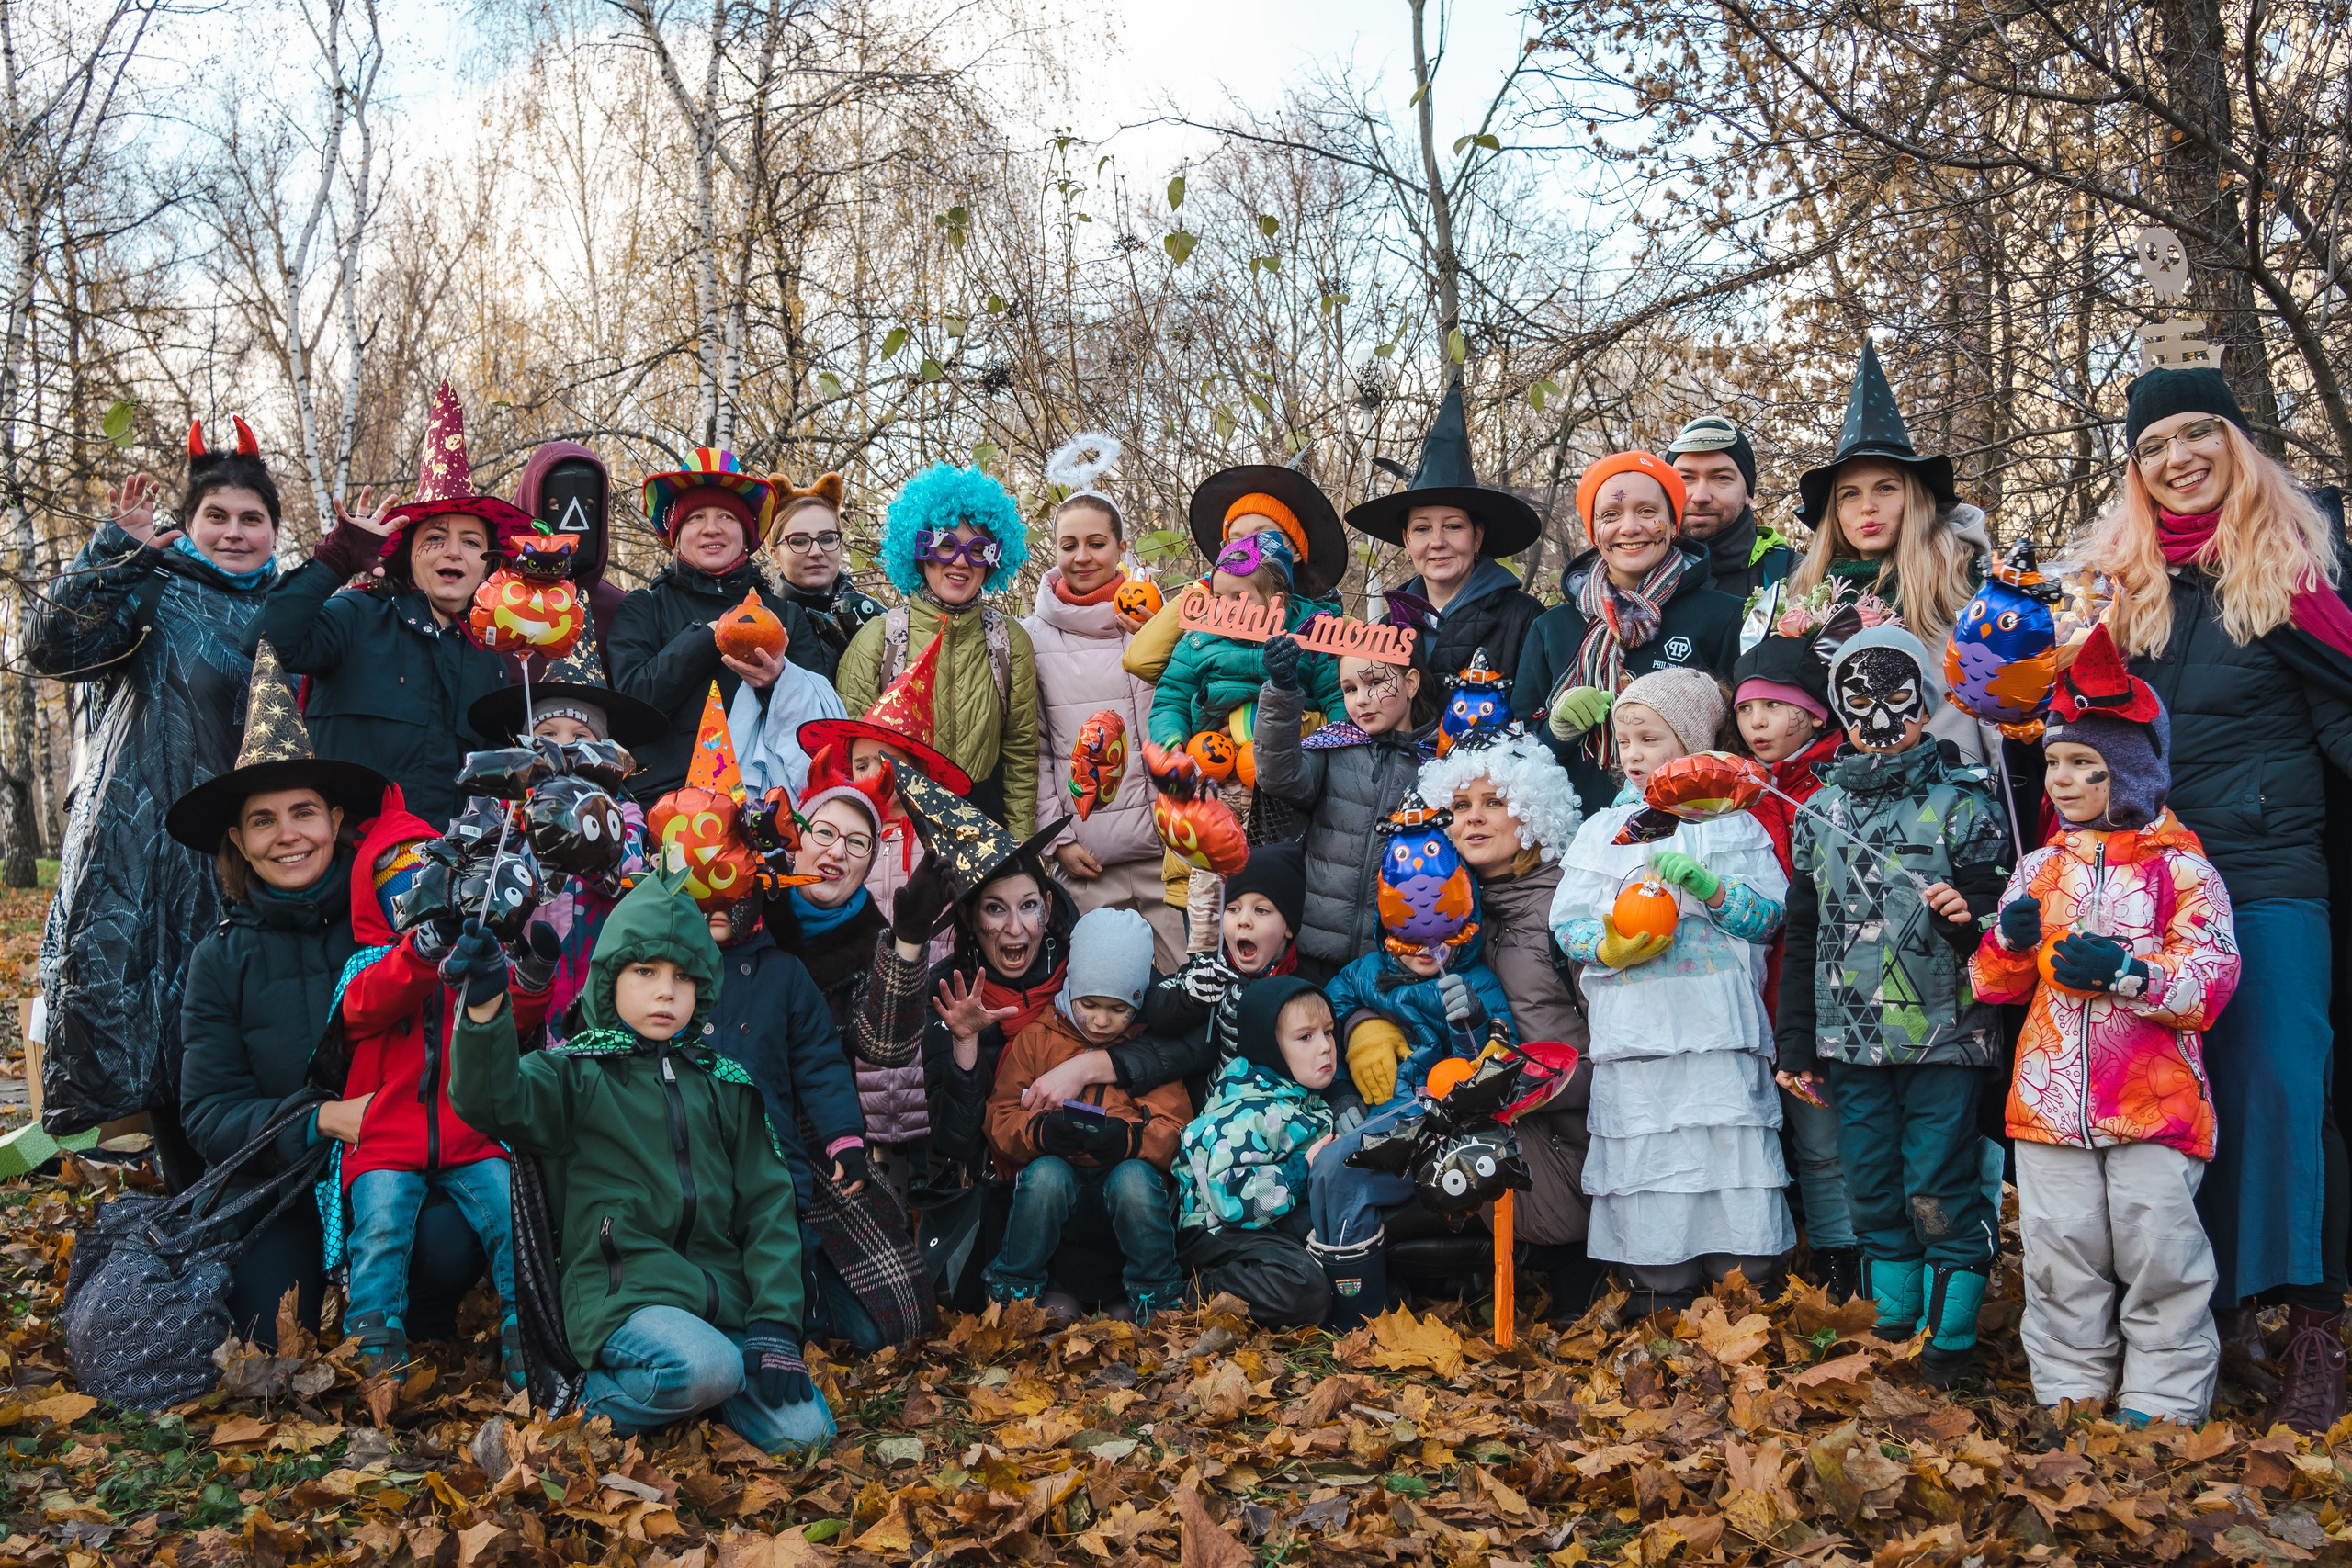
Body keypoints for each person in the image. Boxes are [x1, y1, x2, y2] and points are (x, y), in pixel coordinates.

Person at [2075, 365, 2352, 1427]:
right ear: (2135, 472)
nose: (2178, 458)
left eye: (2200, 434)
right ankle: (2215, 1310)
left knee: (2282, 1081)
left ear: (2239, 445)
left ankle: (2313, 1321)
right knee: (2172, 1099)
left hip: (2273, 871)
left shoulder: (2299, 577)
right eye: (2153, 446)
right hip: (2150, 885)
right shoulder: (2117, 591)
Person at [446, 872, 835, 1452]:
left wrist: (775, 1323)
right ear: (611, 979)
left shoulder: (727, 1084)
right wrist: (484, 1009)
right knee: (707, 1368)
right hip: (622, 1297)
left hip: (722, 1303)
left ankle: (680, 1396)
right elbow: (489, 1100)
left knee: (808, 1436)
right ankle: (576, 1414)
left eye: (682, 977)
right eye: (645, 971)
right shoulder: (573, 1073)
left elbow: (769, 1208)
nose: (665, 992)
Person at [171, 644, 485, 1348]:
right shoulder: (220, 960)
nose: (289, 835)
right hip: (289, 1176)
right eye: (263, 820)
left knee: (442, 1242)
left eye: (304, 812)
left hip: (406, 1157)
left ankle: (423, 1314)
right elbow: (209, 1111)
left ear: (336, 821)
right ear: (239, 840)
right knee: (271, 1324)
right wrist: (322, 1120)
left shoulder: (394, 917)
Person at [1972, 627, 2239, 1427]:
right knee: (2062, 1253)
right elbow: (1991, 983)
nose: (2067, 779)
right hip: (2050, 1101)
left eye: (2088, 764)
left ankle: (2162, 1398)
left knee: (2161, 1252)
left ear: (2131, 769)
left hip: (2153, 1105)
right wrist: (2010, 941)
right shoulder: (2039, 866)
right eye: (2057, 763)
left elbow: (2211, 979)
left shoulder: (2180, 868)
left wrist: (2129, 976)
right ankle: (2069, 1390)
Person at [32, 421, 285, 1185]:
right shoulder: (153, 587)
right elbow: (52, 646)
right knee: (170, 1038)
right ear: (191, 520)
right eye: (218, 516)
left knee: (258, 1032)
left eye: (252, 518)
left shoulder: (294, 604)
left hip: (268, 848)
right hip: (150, 852)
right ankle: (191, 1219)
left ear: (275, 528)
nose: (235, 533)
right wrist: (117, 552)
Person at [1774, 625, 2011, 1386]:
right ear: (1838, 708)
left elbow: (2000, 907)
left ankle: (1950, 1340)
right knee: (1868, 1178)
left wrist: (1967, 911)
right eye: (1858, 697)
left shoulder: (1965, 802)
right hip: (1852, 1039)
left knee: (1937, 1179)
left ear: (1925, 701)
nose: (1877, 713)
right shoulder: (1821, 810)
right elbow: (1803, 930)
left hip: (1944, 1035)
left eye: (1895, 696)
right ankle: (1892, 1323)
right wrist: (1797, 1044)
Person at [667, 692, 930, 1352]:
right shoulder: (730, 913)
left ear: (871, 864)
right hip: (694, 1133)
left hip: (806, 1141)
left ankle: (801, 1312)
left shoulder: (873, 936)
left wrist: (907, 943)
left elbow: (882, 1046)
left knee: (888, 1325)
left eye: (859, 843)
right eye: (825, 834)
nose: (837, 853)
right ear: (796, 838)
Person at [1549, 668, 1793, 1315]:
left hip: (1716, 1029)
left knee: (1724, 1144)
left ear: (1688, 742)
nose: (1630, 753)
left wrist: (1713, 890)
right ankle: (1658, 1282)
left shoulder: (1736, 826)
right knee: (1650, 1150)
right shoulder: (1605, 830)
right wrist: (1605, 946)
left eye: (1647, 738)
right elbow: (1568, 921)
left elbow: (1769, 915)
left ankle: (1742, 1272)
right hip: (1639, 1031)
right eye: (1622, 739)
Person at [332, 787, 555, 1380]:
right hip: (385, 1136)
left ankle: (527, 1340)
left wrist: (532, 975)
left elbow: (508, 1021)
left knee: (513, 1213)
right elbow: (361, 1010)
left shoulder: (469, 957)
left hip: (467, 1133)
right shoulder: (371, 965)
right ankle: (374, 1354)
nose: (411, 893)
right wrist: (420, 949)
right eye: (396, 883)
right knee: (379, 1229)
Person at [854, 771, 1074, 1310]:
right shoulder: (946, 990)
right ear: (972, 922)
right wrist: (966, 1051)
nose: (1015, 928)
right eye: (995, 909)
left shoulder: (1082, 973)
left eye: (1027, 906)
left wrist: (1090, 1067)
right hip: (999, 1197)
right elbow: (955, 1144)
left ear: (1047, 905)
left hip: (1086, 1179)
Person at [254, 383, 517, 828]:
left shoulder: (492, 659)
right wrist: (333, 561)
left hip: (454, 884)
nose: (453, 552)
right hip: (349, 878)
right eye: (435, 537)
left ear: (486, 562)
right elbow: (264, 643)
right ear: (407, 553)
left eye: (471, 542)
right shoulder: (355, 617)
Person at [1305, 793, 1516, 1326]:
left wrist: (1468, 1028)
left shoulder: (1478, 982)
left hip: (1446, 1128)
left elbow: (1500, 1067)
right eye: (1408, 933)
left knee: (1342, 1168)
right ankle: (1351, 1303)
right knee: (1327, 1168)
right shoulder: (1367, 973)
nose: (1426, 947)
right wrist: (1357, 1043)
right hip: (1382, 1113)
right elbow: (1325, 1015)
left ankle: (1362, 1322)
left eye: (1443, 929)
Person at [1416, 710, 1596, 1315]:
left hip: (1573, 1142)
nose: (1473, 815)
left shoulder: (1568, 907)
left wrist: (1535, 1086)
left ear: (1535, 809)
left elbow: (1614, 1041)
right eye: (1460, 803)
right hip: (1490, 1125)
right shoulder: (1448, 919)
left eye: (1494, 801)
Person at [1731, 593, 1861, 1302]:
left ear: (1814, 711)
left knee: (1850, 1135)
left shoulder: (1841, 780)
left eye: (1773, 708)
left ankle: (1873, 1256)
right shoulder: (1744, 789)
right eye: (1747, 710)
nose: (1757, 725)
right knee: (1811, 1135)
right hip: (1778, 996)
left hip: (1846, 991)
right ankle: (1836, 1256)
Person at [983, 908, 1190, 1324]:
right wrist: (1040, 1132)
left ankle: (1157, 1296)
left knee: (1133, 1180)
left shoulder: (1146, 1052)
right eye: (1089, 1004)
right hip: (1063, 1210)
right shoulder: (1040, 1039)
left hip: (1126, 1205)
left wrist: (1130, 1140)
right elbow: (1000, 1116)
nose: (1100, 1020)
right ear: (1070, 988)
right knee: (1045, 1176)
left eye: (1117, 1009)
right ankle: (1013, 1293)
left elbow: (1177, 1130)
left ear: (1138, 1001)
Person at [1014, 842, 1312, 1124]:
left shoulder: (1308, 989)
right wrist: (1189, 995)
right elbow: (1157, 1011)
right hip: (1214, 1117)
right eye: (1232, 909)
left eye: (1261, 911)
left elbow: (1327, 1056)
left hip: (1285, 1114)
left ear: (1288, 925)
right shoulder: (1208, 974)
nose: (1244, 921)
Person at [1516, 450, 1743, 816]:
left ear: (1672, 524)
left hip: (1688, 832)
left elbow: (1742, 735)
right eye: (1610, 515)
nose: (1630, 527)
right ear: (1594, 532)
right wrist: (1557, 731)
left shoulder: (1723, 614)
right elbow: (1521, 750)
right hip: (1577, 834)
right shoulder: (1551, 628)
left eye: (1648, 511)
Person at [1781, 343, 1992, 736]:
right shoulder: (1805, 595)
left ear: (1913, 498)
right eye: (1850, 494)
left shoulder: (1966, 587)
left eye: (1886, 488)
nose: (1867, 508)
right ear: (1835, 512)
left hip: (1953, 787)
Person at [1024, 449, 1183, 969]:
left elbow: (1190, 714)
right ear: (1053, 551)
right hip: (1088, 861)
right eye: (1069, 545)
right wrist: (1057, 842)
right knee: (1104, 996)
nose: (1083, 556)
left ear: (1120, 547)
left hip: (1171, 849)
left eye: (1097, 543)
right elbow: (1036, 750)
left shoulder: (1161, 621)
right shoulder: (1033, 637)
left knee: (1186, 988)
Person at [465, 629, 663, 1041]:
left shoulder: (624, 815)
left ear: (604, 750)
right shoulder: (497, 812)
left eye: (580, 738)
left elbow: (626, 877)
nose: (562, 749)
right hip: (516, 995)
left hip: (598, 997)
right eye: (548, 735)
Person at [837, 464, 1040, 835]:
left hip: (985, 825)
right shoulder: (877, 640)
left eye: (978, 549)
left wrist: (1022, 850)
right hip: (898, 829)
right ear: (919, 551)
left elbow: (1021, 757)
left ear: (994, 559)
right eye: (946, 545)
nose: (961, 561)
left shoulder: (1009, 642)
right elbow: (848, 760)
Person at [608, 449, 820, 802]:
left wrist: (779, 682)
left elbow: (816, 723)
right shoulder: (644, 609)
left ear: (746, 534)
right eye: (695, 518)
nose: (711, 529)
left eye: (726, 516)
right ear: (676, 534)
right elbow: (631, 708)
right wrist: (708, 635)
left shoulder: (787, 616)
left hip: (768, 803)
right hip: (663, 802)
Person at [1253, 601, 1442, 980]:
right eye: (1349, 688)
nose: (1360, 699)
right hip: (1313, 947)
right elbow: (1278, 775)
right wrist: (1282, 691)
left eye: (1375, 682)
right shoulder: (1335, 747)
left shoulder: (1440, 763)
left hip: (1393, 956)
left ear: (1410, 682)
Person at [1345, 382, 1548, 680]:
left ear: (1477, 536)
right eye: (1422, 529)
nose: (1437, 542)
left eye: (1453, 526)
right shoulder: (1385, 632)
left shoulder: (1526, 619)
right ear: (1406, 539)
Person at [1175, 975, 1340, 1327]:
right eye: (1305, 1037)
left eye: (1328, 1032)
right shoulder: (1248, 1112)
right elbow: (1236, 1202)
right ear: (1269, 1046)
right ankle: (1201, 1290)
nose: (1325, 1047)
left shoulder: (1302, 1098)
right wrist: (1302, 1169)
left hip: (1270, 1221)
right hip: (1219, 1230)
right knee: (1305, 1288)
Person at [513, 439, 628, 677]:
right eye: (555, 506)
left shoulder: (622, 614)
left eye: (589, 507)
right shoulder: (493, 604)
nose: (573, 523)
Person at [765, 472, 883, 683]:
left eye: (827, 539)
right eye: (799, 541)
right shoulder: (764, 623)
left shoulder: (870, 616)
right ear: (775, 555)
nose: (816, 551)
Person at [1665, 414, 1794, 604]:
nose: (1701, 496)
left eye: (1721, 478)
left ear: (1748, 492)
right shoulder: (1630, 571)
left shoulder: (1794, 575)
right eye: (1686, 478)